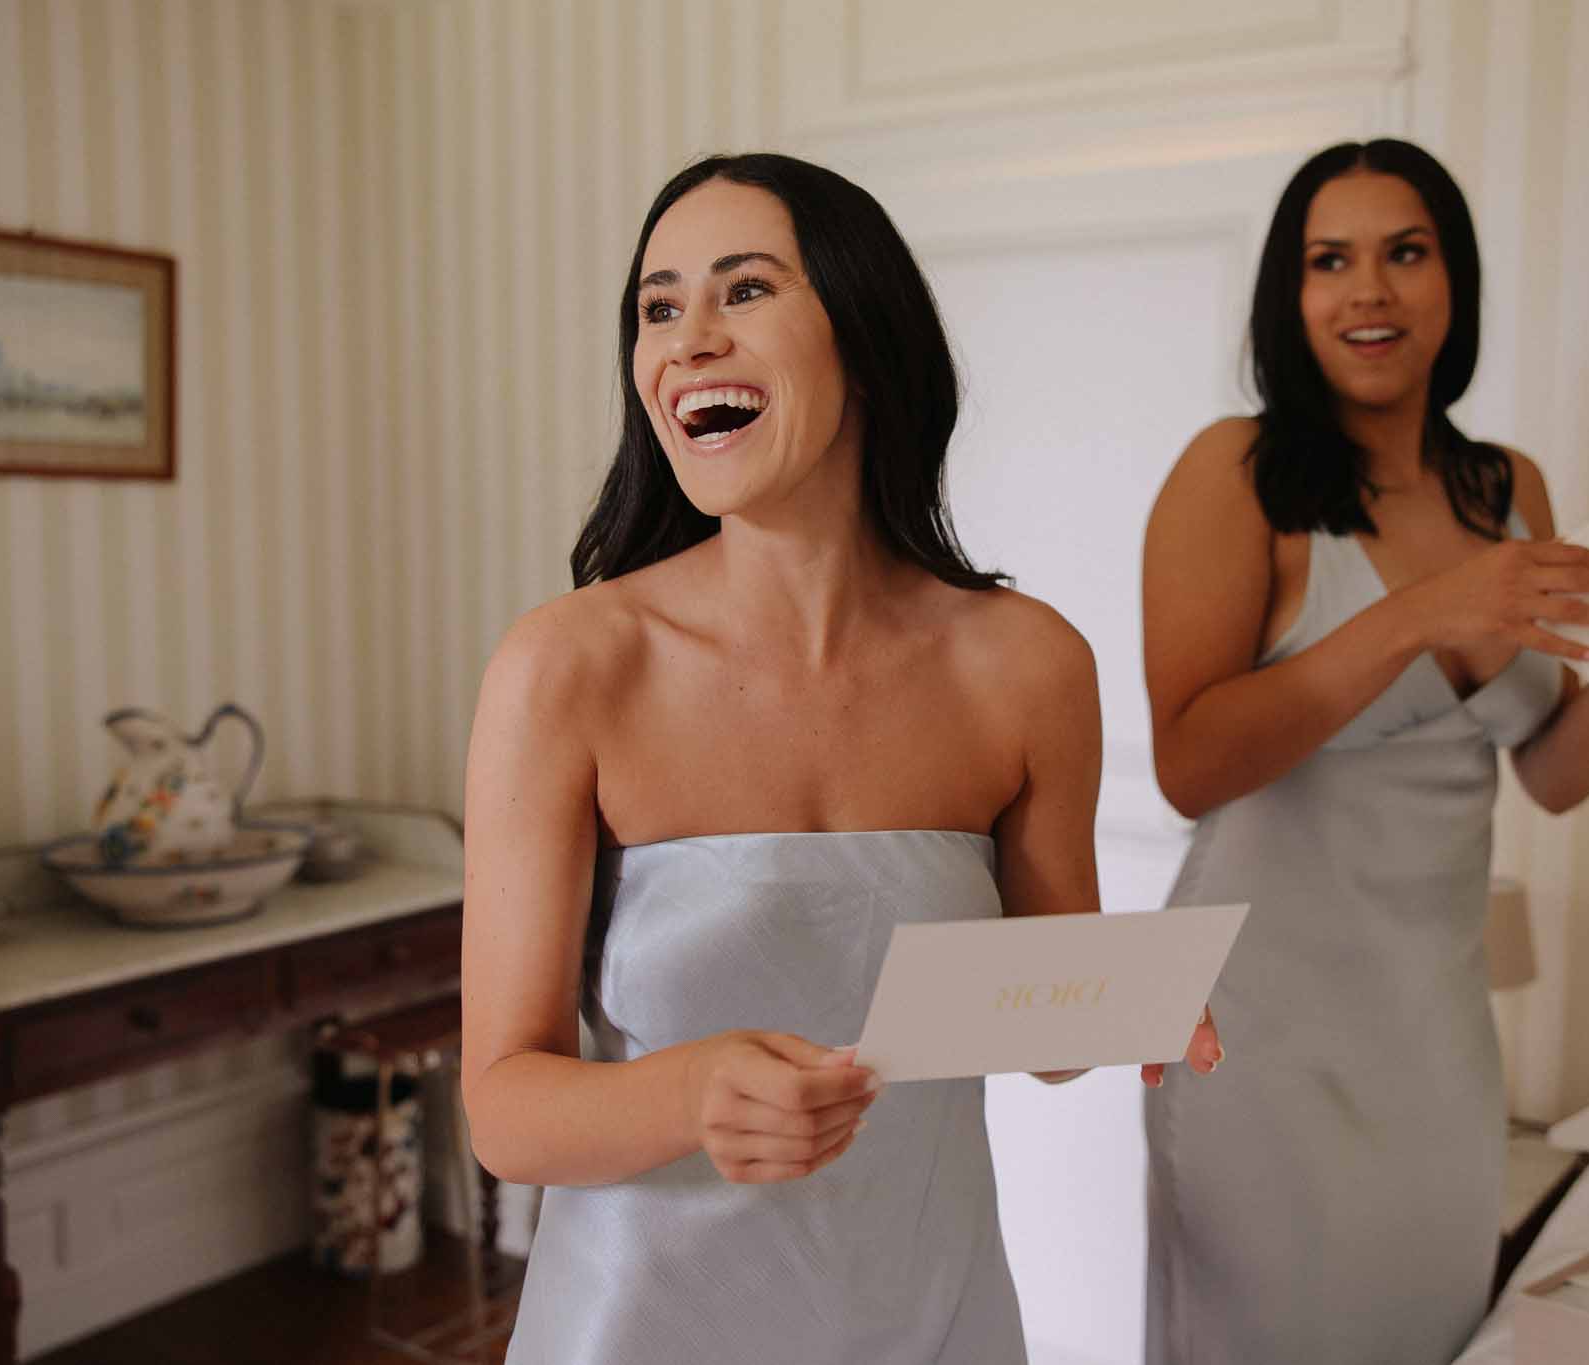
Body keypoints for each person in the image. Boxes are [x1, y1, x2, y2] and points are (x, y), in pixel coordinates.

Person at [461, 152, 1217, 1365]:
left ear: (864, 340)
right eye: (658, 308)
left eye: (742, 290)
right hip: (645, 1328)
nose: (689, 339)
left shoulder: (1026, 667)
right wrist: (683, 1094)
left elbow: (1049, 1032)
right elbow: (502, 1104)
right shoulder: (568, 668)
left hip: (931, 1312)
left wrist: (1138, 997)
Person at [1138, 139, 1589, 1364]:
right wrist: (1422, 613)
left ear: (1452, 283)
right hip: (1258, 1037)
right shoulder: (1233, 473)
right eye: (1330, 260)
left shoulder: (1506, 486)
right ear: (1291, 293)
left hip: (1435, 1041)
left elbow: (1544, 772)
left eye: (1404, 253)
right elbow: (1187, 762)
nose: (1368, 290)